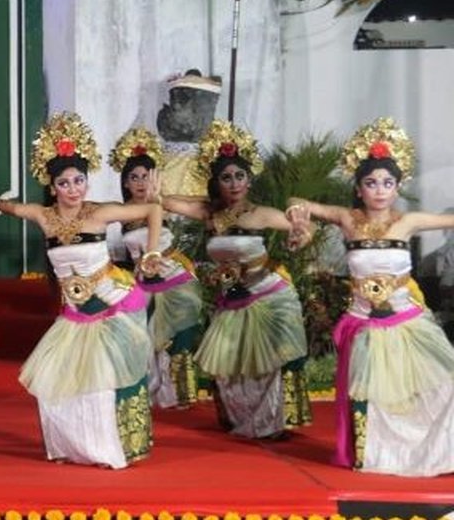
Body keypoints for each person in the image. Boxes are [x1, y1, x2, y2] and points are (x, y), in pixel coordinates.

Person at [0, 112, 161, 469]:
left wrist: (150, 252)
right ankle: (72, 447)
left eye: (79, 181)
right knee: (57, 386)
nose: (73, 189)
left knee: (104, 382)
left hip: (113, 305)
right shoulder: (45, 217)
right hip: (75, 315)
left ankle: (109, 450)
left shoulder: (99, 213)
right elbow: (8, 207)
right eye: (65, 183)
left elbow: (152, 209)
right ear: (53, 186)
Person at [286, 117, 454, 476]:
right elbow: (297, 201)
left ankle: (429, 452)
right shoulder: (347, 219)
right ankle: (377, 455)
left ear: (397, 188)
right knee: (370, 396)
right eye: (371, 183)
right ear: (359, 188)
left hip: (406, 320)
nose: (380, 190)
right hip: (364, 324)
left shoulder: (406, 222)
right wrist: (299, 219)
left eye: (387, 183)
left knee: (441, 383)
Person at [158, 119, 312, 439]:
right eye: (226, 177)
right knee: (229, 365)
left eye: (240, 175)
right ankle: (243, 419)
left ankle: (269, 422)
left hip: (268, 292)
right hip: (231, 295)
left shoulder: (261, 213)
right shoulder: (209, 214)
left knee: (266, 362)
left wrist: (299, 232)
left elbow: (300, 227)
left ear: (249, 179)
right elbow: (167, 201)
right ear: (217, 183)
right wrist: (154, 185)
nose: (234, 183)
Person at [109, 126, 203, 409]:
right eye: (134, 177)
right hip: (142, 280)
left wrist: (162, 199)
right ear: (125, 183)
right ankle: (148, 390)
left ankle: (178, 393)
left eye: (145, 176)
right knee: (142, 336)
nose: (140, 182)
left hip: (173, 274)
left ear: (155, 178)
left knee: (178, 333)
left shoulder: (161, 202)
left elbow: (202, 210)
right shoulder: (121, 210)